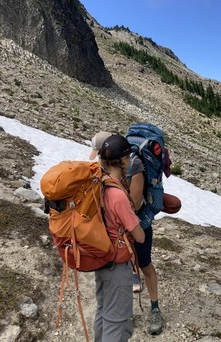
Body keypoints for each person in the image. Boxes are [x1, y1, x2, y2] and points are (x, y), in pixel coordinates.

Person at [91, 130, 166, 335]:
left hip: (134, 226)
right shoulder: (108, 177)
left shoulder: (135, 168)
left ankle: (154, 307)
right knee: (128, 274)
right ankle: (123, 315)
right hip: (122, 234)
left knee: (145, 265)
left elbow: (135, 203)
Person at [93, 134, 146, 341]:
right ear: (123, 162)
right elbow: (139, 236)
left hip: (101, 259)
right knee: (118, 320)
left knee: (103, 311)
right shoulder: (118, 195)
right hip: (117, 264)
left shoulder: (99, 184)